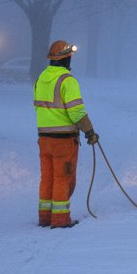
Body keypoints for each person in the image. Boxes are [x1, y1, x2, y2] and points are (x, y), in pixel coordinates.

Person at [33, 39, 98, 228]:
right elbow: (76, 112)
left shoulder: (40, 79)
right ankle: (60, 219)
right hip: (63, 140)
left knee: (47, 178)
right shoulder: (67, 81)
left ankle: (45, 217)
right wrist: (89, 131)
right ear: (66, 59)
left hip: (44, 139)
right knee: (62, 178)